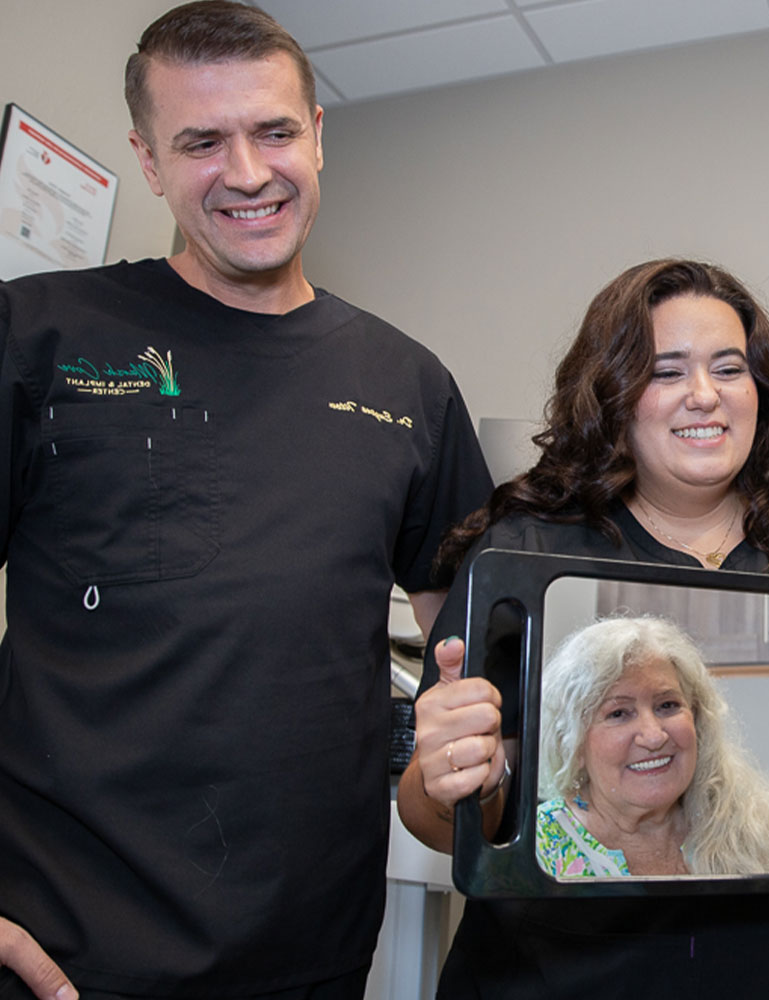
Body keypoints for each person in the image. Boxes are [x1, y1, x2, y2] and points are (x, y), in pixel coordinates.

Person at [0, 3, 492, 999]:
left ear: (318, 132)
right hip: (65, 957)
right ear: (147, 160)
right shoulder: (39, 338)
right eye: (200, 142)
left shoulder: (409, 385)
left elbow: (475, 663)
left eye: (273, 131)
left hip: (308, 955)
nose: (248, 171)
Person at [397, 258, 769, 998]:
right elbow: (446, 814)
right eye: (666, 372)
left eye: (729, 368)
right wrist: (447, 780)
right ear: (613, 395)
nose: (704, 395)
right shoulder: (526, 554)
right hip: (569, 975)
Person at [536, 615, 769, 879]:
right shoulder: (537, 847)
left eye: (667, 705)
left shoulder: (756, 833)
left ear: (697, 719)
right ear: (572, 742)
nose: (653, 735)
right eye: (619, 713)